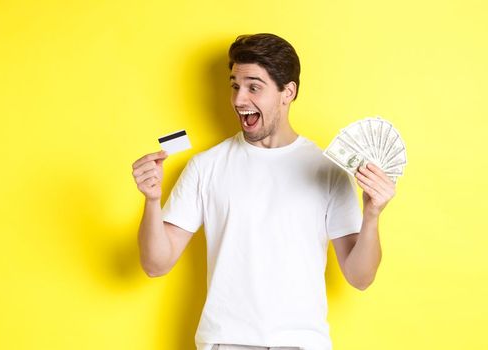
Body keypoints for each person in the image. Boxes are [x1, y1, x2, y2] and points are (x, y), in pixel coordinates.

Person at [130, 33, 396, 350]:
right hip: (226, 342)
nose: (239, 99)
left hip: (300, 343)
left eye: (254, 87)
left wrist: (372, 214)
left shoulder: (327, 170)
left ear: (288, 92)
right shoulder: (206, 166)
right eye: (235, 85)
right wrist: (152, 200)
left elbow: (360, 277)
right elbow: (155, 264)